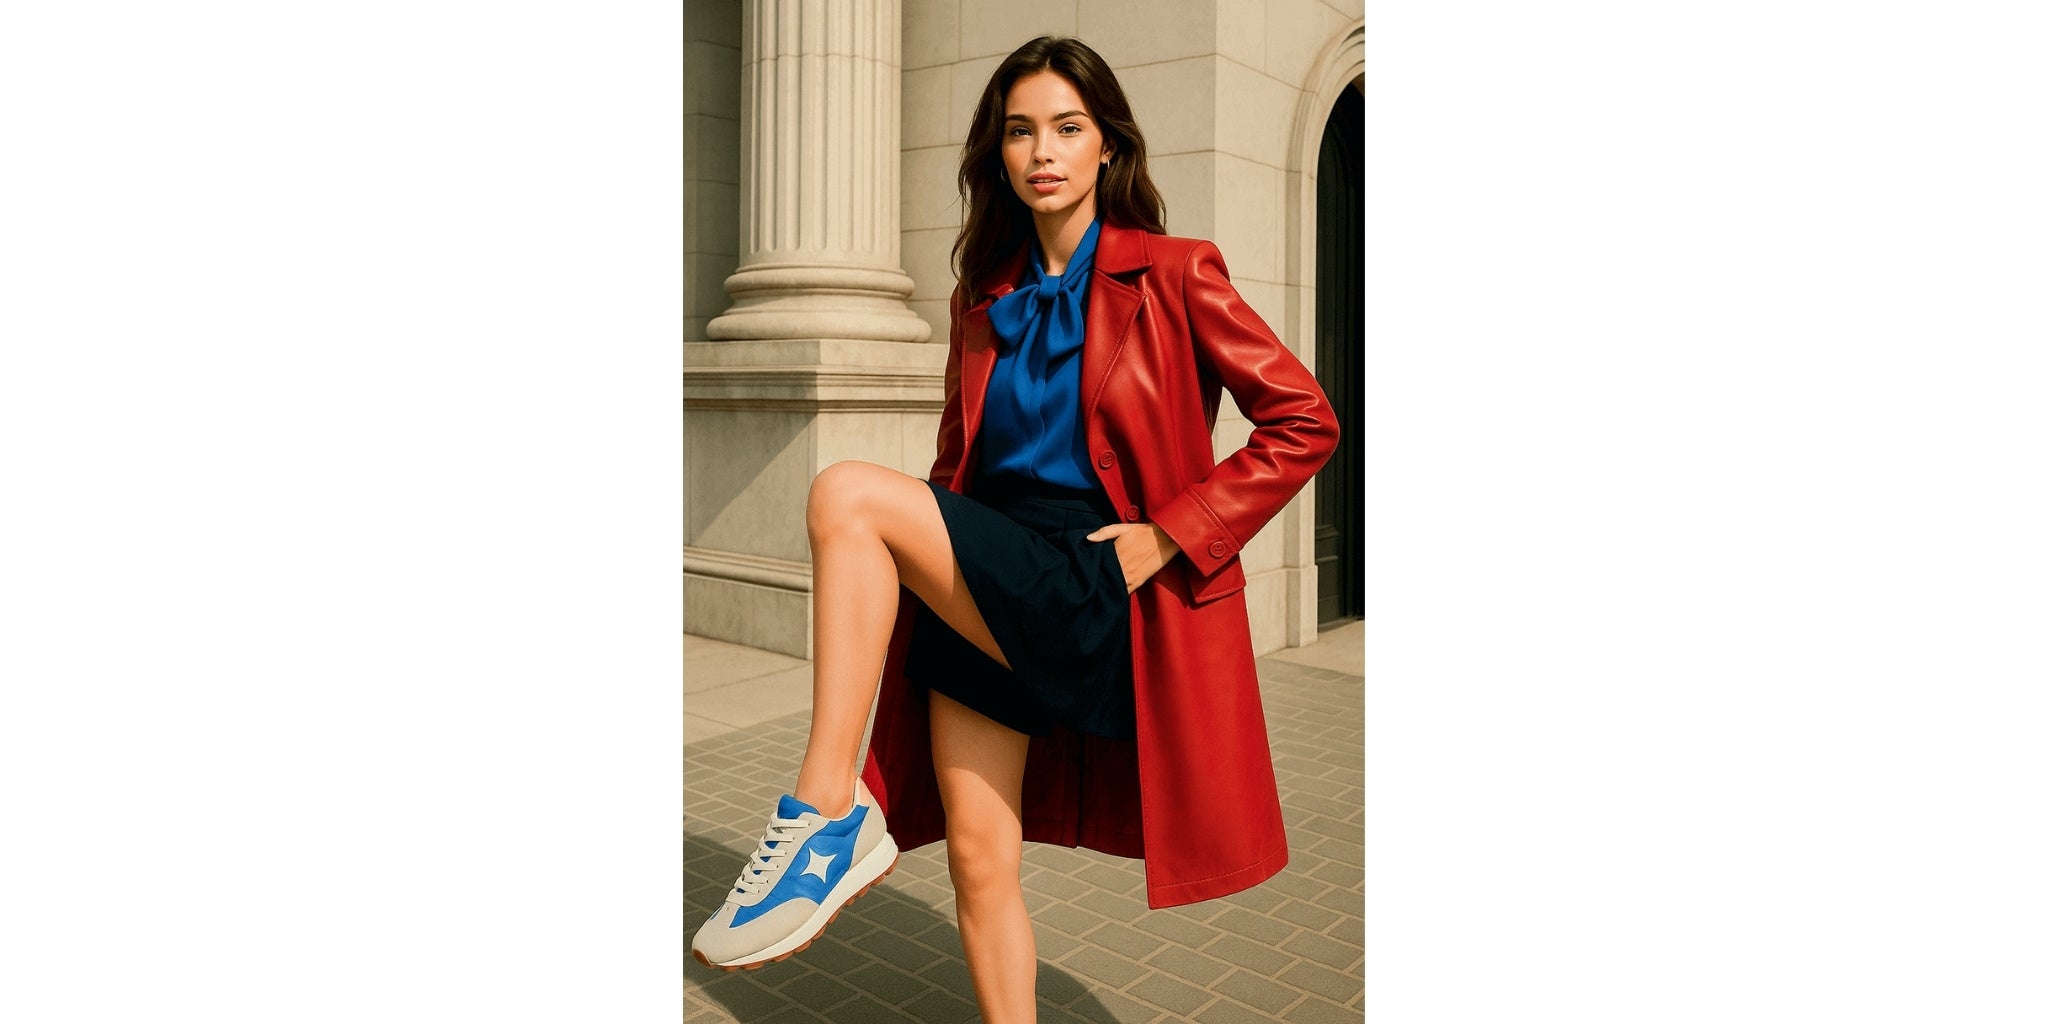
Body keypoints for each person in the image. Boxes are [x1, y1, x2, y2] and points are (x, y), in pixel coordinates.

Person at [691, 35, 1339, 1022]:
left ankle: (822, 812)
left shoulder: (1173, 273)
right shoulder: (979, 295)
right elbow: (959, 461)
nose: (1043, 150)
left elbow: (1305, 419)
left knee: (844, 493)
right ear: (997, 153)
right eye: (1020, 130)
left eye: (1067, 128)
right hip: (988, 575)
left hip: (1086, 575)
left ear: (1106, 148)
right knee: (976, 856)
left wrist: (1169, 532)